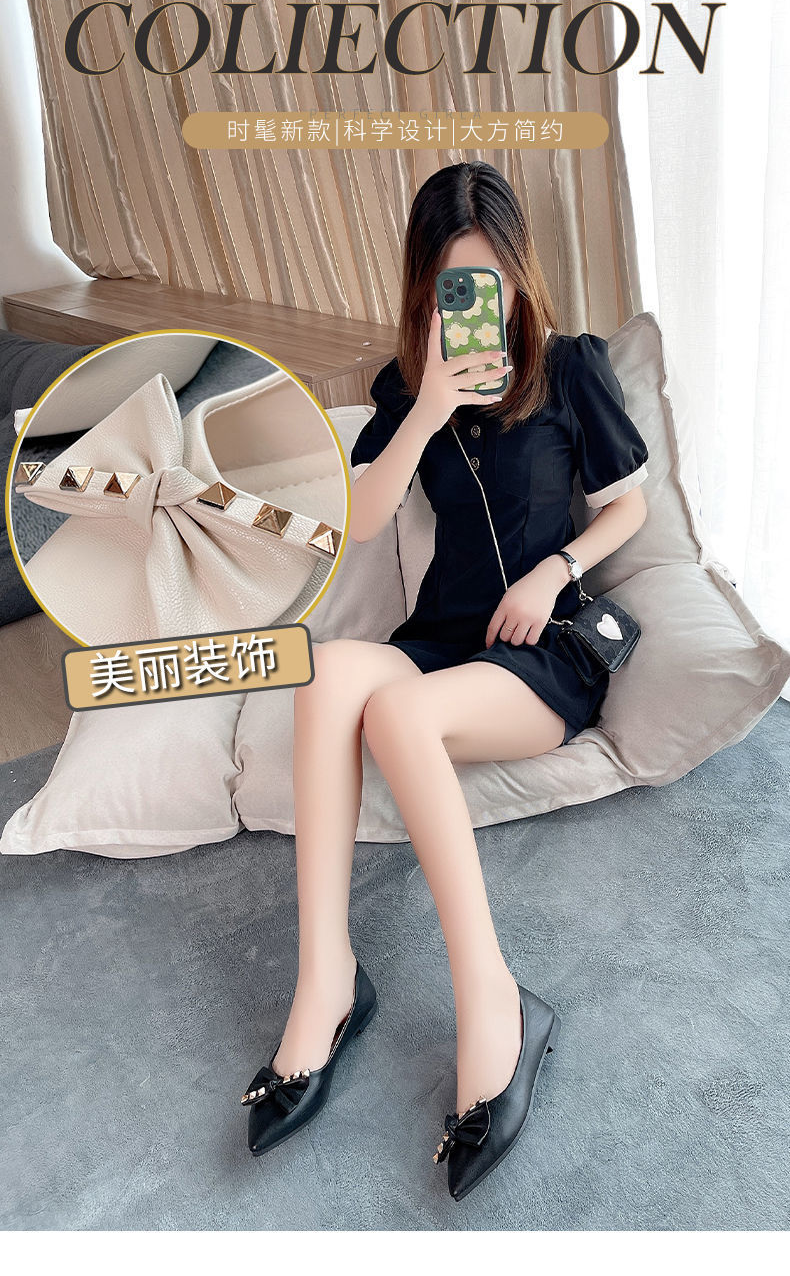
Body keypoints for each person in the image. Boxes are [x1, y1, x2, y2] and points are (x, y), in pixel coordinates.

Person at [241, 162, 649, 1201]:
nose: (480, 306)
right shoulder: (404, 389)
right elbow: (363, 521)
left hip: (539, 651)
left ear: (519, 274)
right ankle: (326, 979)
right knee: (330, 676)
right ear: (426, 289)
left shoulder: (571, 366)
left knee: (398, 710)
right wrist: (426, 405)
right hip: (440, 638)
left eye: (492, 281)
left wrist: (557, 567)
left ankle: (494, 1002)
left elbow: (629, 506)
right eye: (454, 286)